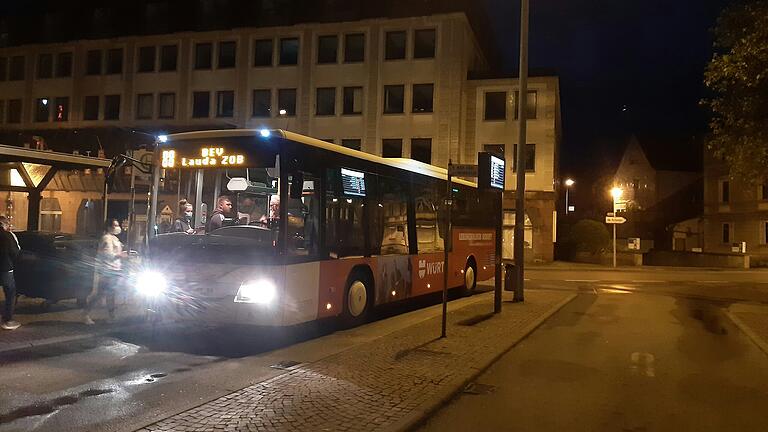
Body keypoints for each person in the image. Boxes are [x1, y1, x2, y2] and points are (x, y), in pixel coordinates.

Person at [83, 219, 127, 325]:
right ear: (108, 227)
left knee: (110, 294)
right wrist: (120, 255)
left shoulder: (114, 238)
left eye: (118, 225)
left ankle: (111, 316)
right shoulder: (106, 239)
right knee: (100, 294)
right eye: (115, 225)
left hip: (114, 270)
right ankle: (86, 315)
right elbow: (107, 255)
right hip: (107, 271)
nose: (118, 227)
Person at [0, 216, 20, 330]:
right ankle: (7, 320)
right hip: (5, 269)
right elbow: (16, 252)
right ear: (5, 224)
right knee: (10, 294)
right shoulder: (8, 236)